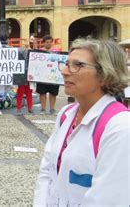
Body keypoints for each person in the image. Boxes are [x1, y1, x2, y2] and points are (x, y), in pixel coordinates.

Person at [33, 39, 129, 205]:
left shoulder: (120, 127)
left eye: (78, 65)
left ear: (105, 75)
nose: (64, 71)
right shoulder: (66, 114)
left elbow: (108, 199)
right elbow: (47, 171)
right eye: (66, 63)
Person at [36, 35, 61, 115]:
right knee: (42, 93)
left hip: (53, 75)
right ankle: (43, 109)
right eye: (47, 42)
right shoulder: (40, 51)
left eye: (50, 42)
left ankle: (52, 109)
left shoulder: (57, 51)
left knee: (53, 93)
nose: (48, 44)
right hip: (42, 76)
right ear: (44, 43)